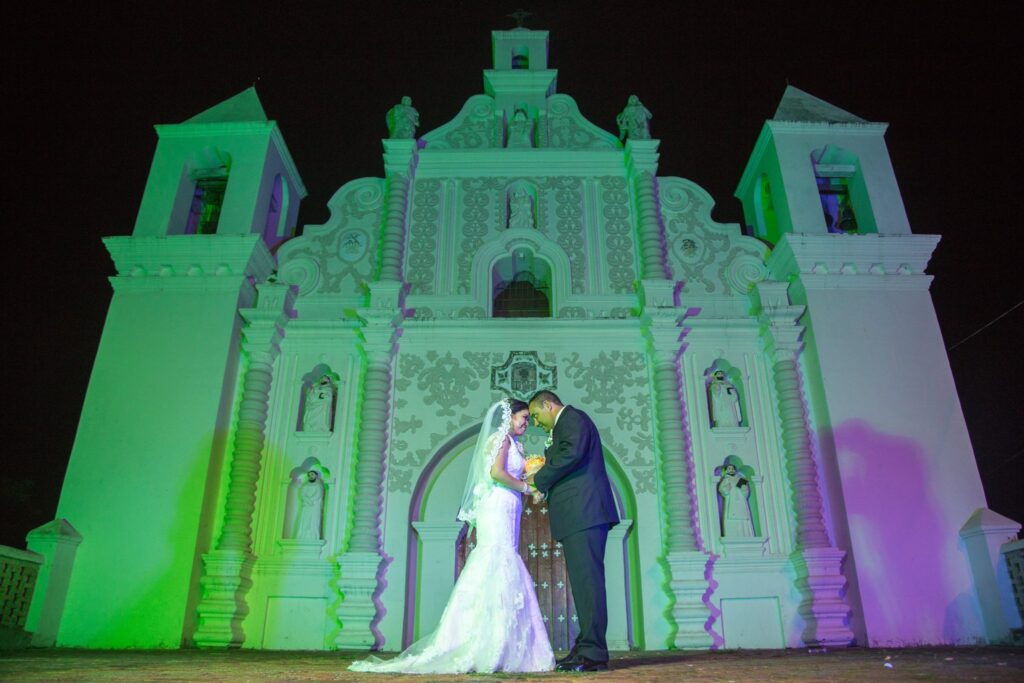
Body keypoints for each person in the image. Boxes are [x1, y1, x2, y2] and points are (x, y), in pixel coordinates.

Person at [349, 398, 554, 674]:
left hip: (509, 504)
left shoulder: (514, 443)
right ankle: (482, 642)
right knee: (497, 558)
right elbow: (496, 472)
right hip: (497, 504)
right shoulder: (501, 438)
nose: (526, 424)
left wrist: (529, 479)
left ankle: (502, 643)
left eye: (528, 419)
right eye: (523, 418)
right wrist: (526, 488)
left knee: (503, 558)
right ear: (509, 417)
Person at [526, 391, 619, 673]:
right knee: (584, 585)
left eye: (535, 415)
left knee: (588, 584)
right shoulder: (566, 424)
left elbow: (572, 453)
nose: (535, 422)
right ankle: (586, 646)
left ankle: (593, 653)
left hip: (585, 512)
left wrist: (539, 478)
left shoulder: (572, 419)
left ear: (548, 405)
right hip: (580, 514)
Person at [718, 464, 755, 537]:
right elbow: (721, 489)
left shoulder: (740, 479)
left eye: (732, 468)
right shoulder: (726, 479)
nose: (731, 470)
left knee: (743, 516)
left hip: (741, 502)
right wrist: (726, 488)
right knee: (731, 518)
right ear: (726, 470)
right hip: (731, 503)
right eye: (729, 468)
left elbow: (746, 492)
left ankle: (746, 534)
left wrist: (744, 489)